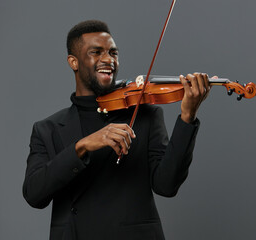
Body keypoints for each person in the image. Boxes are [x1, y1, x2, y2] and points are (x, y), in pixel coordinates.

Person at [23, 20, 211, 240]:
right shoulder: (48, 129)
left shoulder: (145, 115)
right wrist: (82, 146)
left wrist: (187, 117)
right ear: (73, 62)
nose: (108, 59)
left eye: (113, 52)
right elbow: (34, 194)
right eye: (96, 52)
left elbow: (166, 185)